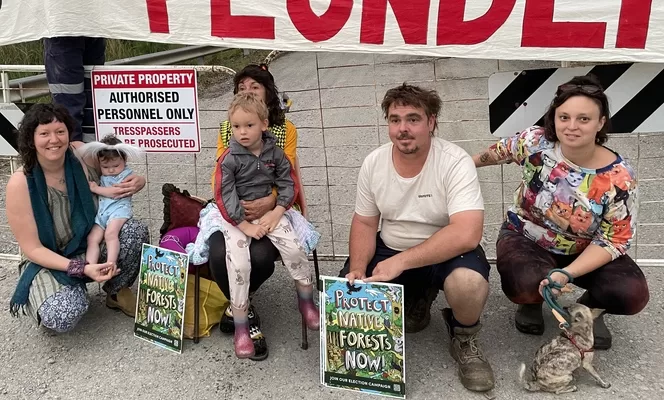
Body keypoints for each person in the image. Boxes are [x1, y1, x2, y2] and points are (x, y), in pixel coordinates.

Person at [472, 75, 649, 350]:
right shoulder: (535, 142)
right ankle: (532, 302)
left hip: (585, 248)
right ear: (553, 118)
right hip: (527, 235)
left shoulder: (619, 178)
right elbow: (497, 153)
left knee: (631, 293)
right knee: (524, 282)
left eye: (584, 119)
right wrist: (455, 169)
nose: (572, 127)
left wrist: (567, 273)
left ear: (601, 122)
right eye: (564, 117)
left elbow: (614, 240)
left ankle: (587, 309)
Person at [340, 83, 495, 392]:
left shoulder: (455, 161)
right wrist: (358, 266)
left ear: (432, 121)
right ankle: (414, 300)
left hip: (447, 249)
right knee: (351, 289)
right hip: (392, 245)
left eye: (413, 118)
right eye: (395, 120)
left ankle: (463, 336)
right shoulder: (374, 162)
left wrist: (401, 262)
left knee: (468, 283)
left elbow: (467, 232)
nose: (403, 128)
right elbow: (365, 223)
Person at [6, 103, 149, 332]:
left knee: (134, 230)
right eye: (44, 133)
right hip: (50, 260)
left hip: (89, 242)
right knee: (63, 313)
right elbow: (32, 249)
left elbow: (116, 167)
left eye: (60, 131)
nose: (54, 139)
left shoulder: (83, 154)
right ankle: (61, 292)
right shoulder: (20, 183)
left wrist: (138, 181)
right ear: (31, 139)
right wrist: (80, 268)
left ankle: (116, 290)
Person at [215, 92, 319, 358]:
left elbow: (288, 183)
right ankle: (241, 327)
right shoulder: (229, 158)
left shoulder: (275, 153)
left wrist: (279, 209)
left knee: (295, 248)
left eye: (249, 125)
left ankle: (306, 301)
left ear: (264, 124)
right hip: (237, 217)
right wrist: (243, 224)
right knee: (238, 264)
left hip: (271, 212)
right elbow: (223, 195)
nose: (242, 132)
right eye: (236, 126)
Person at [208, 63, 299, 361]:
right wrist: (236, 209)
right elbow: (220, 178)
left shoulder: (284, 131)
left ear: (267, 94)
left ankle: (239, 310)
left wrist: (272, 201)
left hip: (270, 206)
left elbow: (289, 175)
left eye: (254, 87)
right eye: (241, 88)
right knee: (218, 250)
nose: (248, 92)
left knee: (261, 257)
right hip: (235, 207)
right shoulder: (228, 129)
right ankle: (243, 314)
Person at [79, 134, 143, 268]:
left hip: (118, 211)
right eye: (106, 167)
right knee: (92, 239)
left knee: (110, 234)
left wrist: (96, 189)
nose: (111, 170)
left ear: (124, 159)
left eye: (116, 165)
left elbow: (115, 193)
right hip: (103, 212)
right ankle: (90, 266)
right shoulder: (103, 173)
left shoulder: (126, 175)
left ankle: (111, 263)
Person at [44, 36, 106, 145]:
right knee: (89, 101)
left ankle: (78, 153)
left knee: (72, 102)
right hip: (92, 28)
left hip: (65, 30)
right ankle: (85, 152)